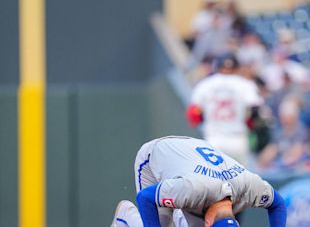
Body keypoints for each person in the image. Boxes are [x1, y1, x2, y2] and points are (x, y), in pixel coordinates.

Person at [110, 136, 287, 227]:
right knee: (162, 223)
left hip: (193, 159)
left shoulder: (250, 187)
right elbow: (145, 197)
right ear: (208, 224)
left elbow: (277, 203)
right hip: (156, 155)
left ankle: (180, 215)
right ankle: (126, 216)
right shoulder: (192, 190)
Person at [186, 53, 264, 166]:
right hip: (237, 139)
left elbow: (194, 114)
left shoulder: (205, 84)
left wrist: (205, 118)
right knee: (240, 180)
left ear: (217, 67)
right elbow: (255, 111)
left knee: (214, 179)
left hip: (213, 139)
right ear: (237, 68)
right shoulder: (245, 85)